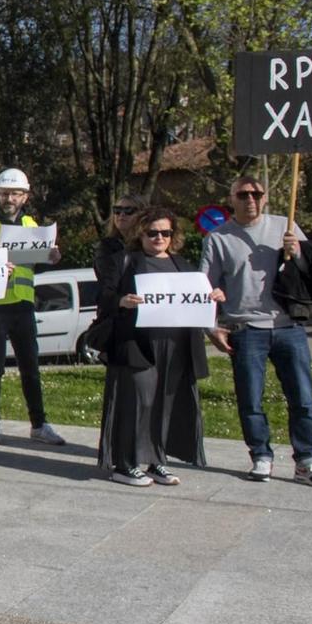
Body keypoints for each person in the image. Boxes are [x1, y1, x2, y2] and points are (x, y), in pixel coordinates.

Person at [202, 172, 312, 487]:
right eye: (243, 194)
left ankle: (307, 460)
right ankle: (261, 455)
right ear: (231, 200)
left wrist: (298, 251)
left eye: (256, 194)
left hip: (289, 326)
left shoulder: (285, 226)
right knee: (250, 399)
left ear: (265, 198)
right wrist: (211, 327)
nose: (250, 200)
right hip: (246, 329)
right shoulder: (218, 238)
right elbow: (204, 287)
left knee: (302, 397)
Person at [97, 208, 220, 487]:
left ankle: (157, 461)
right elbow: (104, 297)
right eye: (152, 233)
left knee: (166, 404)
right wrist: (122, 301)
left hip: (176, 346)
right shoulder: (125, 261)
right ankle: (125, 464)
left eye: (166, 233)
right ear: (140, 234)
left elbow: (199, 300)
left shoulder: (183, 265)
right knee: (137, 402)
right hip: (137, 346)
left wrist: (214, 296)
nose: (159, 238)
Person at [0, 168, 68, 446]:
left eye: (15, 193)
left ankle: (39, 424)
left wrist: (52, 256)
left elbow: (38, 259)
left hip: (24, 304)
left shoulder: (31, 224)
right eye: (5, 193)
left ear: (25, 197)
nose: (9, 198)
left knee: (31, 367)